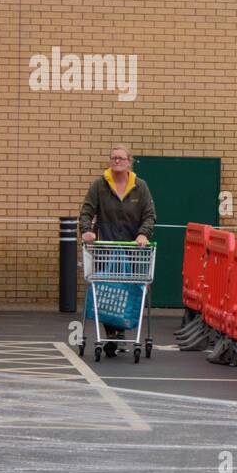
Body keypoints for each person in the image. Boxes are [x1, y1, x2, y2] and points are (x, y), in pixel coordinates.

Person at [79, 144, 157, 358]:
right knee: (105, 291)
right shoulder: (99, 186)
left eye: (121, 158)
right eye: (114, 158)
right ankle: (110, 334)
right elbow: (86, 211)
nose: (117, 161)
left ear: (129, 161)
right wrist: (87, 231)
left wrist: (143, 234)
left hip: (132, 251)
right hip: (106, 248)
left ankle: (120, 330)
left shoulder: (140, 187)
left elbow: (150, 216)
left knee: (128, 291)